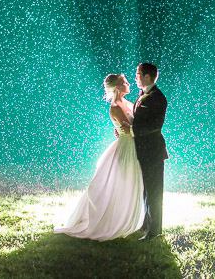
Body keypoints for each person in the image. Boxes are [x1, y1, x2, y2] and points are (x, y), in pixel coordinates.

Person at [54, 74, 146, 240]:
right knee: (122, 183)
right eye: (124, 82)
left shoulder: (127, 102)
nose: (128, 83)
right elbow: (130, 129)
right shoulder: (116, 106)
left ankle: (127, 217)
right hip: (127, 147)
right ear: (117, 87)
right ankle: (114, 220)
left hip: (132, 145)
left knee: (130, 182)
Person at [132, 62, 168, 240]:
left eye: (138, 74)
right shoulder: (143, 94)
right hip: (142, 150)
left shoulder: (158, 97)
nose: (136, 77)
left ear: (147, 76)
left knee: (154, 191)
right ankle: (146, 224)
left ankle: (155, 230)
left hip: (153, 151)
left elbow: (155, 125)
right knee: (146, 190)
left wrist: (132, 131)